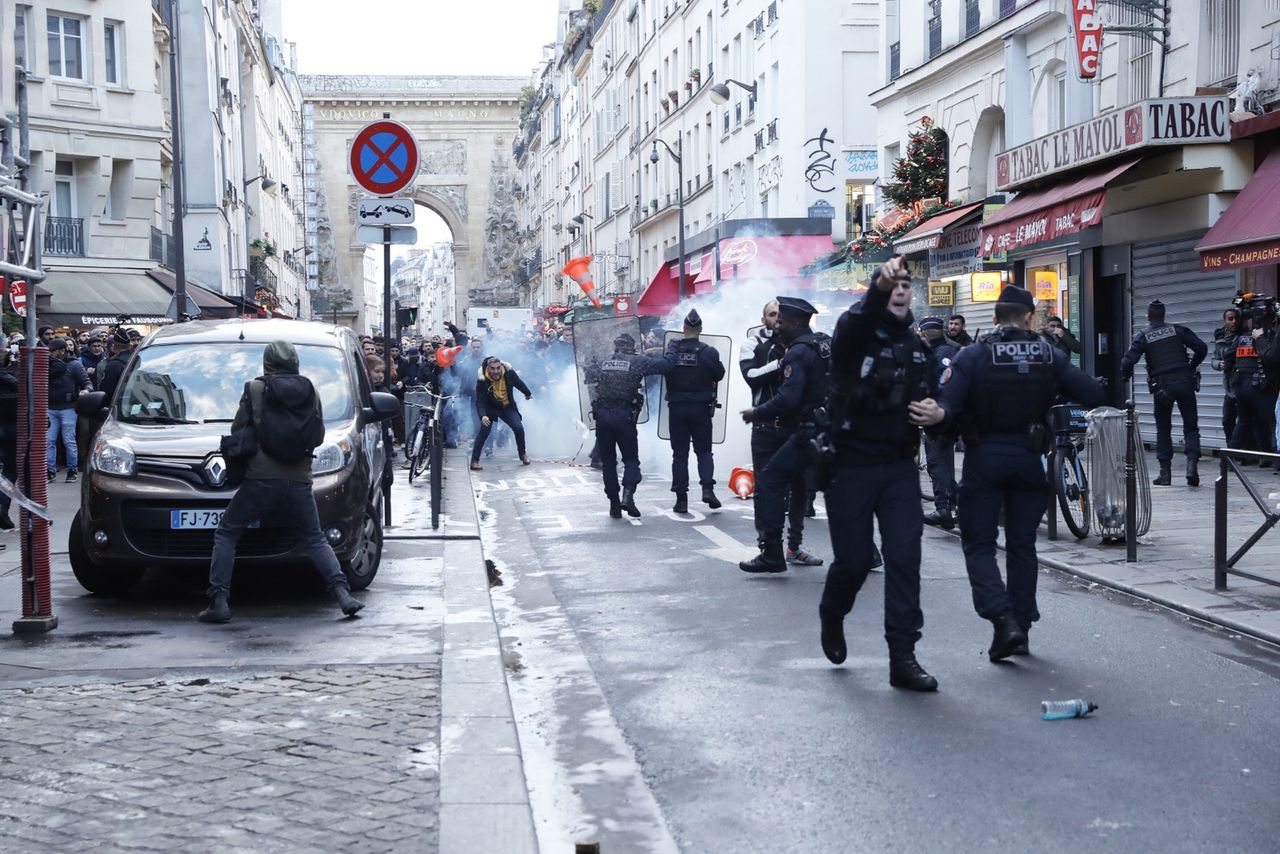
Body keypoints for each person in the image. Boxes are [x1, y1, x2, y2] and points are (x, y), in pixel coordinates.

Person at [915, 285, 1104, 661]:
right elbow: (1093, 394)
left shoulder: (974, 355)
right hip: (1029, 460)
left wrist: (937, 415)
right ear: (1030, 317)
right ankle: (1022, 625)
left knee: (979, 544)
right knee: (1022, 545)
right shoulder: (1049, 355)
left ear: (996, 318)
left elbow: (946, 404)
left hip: (984, 458)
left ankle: (1003, 620)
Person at [814, 256, 938, 691]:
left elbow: (945, 400)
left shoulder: (920, 348)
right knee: (854, 561)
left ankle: (903, 656)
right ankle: (833, 613)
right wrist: (877, 289)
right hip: (851, 465)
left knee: (905, 558)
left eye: (907, 284)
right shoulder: (854, 337)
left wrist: (940, 413)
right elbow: (857, 323)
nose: (902, 290)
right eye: (893, 285)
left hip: (900, 466)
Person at [198, 340, 364, 623]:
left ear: (268, 362)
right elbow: (318, 434)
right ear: (294, 361)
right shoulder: (311, 390)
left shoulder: (255, 388)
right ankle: (342, 594)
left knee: (227, 533)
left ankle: (219, 601)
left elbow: (239, 429)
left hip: (261, 478)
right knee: (314, 537)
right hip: (299, 478)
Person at [739, 297, 830, 573]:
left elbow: (789, 397)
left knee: (785, 483)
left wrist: (757, 412)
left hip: (800, 427)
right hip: (794, 429)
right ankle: (770, 547)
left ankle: (779, 551)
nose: (776, 323)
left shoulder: (799, 350)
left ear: (796, 322)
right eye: (772, 317)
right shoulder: (756, 343)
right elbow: (752, 376)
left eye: (780, 319)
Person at [1120, 299, 1208, 486]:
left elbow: (1127, 362)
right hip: (1185, 382)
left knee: (1163, 428)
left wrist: (1125, 376)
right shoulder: (1178, 330)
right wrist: (1191, 366)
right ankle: (1192, 466)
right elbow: (1202, 348)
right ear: (1164, 315)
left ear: (1149, 316)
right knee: (1191, 427)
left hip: (1162, 387)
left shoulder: (1143, 335)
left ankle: (1165, 473)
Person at [585, 333, 668, 518]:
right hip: (624, 417)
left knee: (608, 462)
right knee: (631, 460)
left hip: (603, 417)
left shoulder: (603, 362)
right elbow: (665, 366)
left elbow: (589, 377)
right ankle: (628, 495)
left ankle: (614, 503)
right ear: (631, 347)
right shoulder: (636, 361)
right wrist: (672, 351)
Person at [662, 309, 725, 513]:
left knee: (680, 454)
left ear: (684, 329)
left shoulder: (673, 351)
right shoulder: (709, 352)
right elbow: (720, 374)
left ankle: (681, 499)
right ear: (700, 330)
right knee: (704, 451)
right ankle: (707, 488)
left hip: (677, 409)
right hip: (701, 409)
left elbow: (666, 368)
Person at [1223, 302, 1280, 461]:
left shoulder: (1240, 338)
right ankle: (1275, 459)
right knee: (1273, 422)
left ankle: (1230, 459)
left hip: (1240, 387)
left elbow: (1227, 356)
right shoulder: (1267, 336)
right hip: (1258, 386)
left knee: (1244, 422)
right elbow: (1272, 357)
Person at [918, 317, 959, 529]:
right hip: (954, 415)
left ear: (924, 334)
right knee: (946, 462)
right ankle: (953, 504)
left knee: (936, 463)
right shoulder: (952, 350)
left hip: (937, 416)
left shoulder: (933, 355)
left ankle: (943, 508)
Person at [470, 355, 532, 470]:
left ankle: (522, 454)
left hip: (507, 406)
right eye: (493, 369)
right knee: (483, 432)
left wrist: (527, 393)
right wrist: (483, 415)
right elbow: (480, 401)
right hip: (490, 408)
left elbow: (518, 382)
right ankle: (474, 461)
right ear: (488, 368)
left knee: (518, 428)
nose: (496, 371)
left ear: (501, 366)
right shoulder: (482, 379)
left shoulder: (508, 372)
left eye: (498, 368)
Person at [46, 338, 91, 483]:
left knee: (68, 440)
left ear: (62, 351)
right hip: (51, 407)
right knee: (49, 440)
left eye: (53, 351)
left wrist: (85, 391)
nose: (50, 353)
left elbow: (87, 383)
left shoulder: (74, 365)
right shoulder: (48, 364)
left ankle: (72, 469)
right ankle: (50, 470)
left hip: (68, 408)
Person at [1213, 308, 1241, 442]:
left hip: (1243, 385)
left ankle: (1242, 453)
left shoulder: (1243, 335)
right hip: (1229, 387)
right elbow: (1214, 359)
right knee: (1227, 421)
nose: (1234, 321)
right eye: (1230, 319)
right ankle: (1231, 451)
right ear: (1225, 321)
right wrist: (1219, 364)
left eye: (1235, 318)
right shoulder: (1220, 337)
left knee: (1244, 422)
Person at [96, 328, 134, 402]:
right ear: (129, 345)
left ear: (114, 346)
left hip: (121, 405)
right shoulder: (138, 358)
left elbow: (106, 392)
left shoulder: (113, 365)